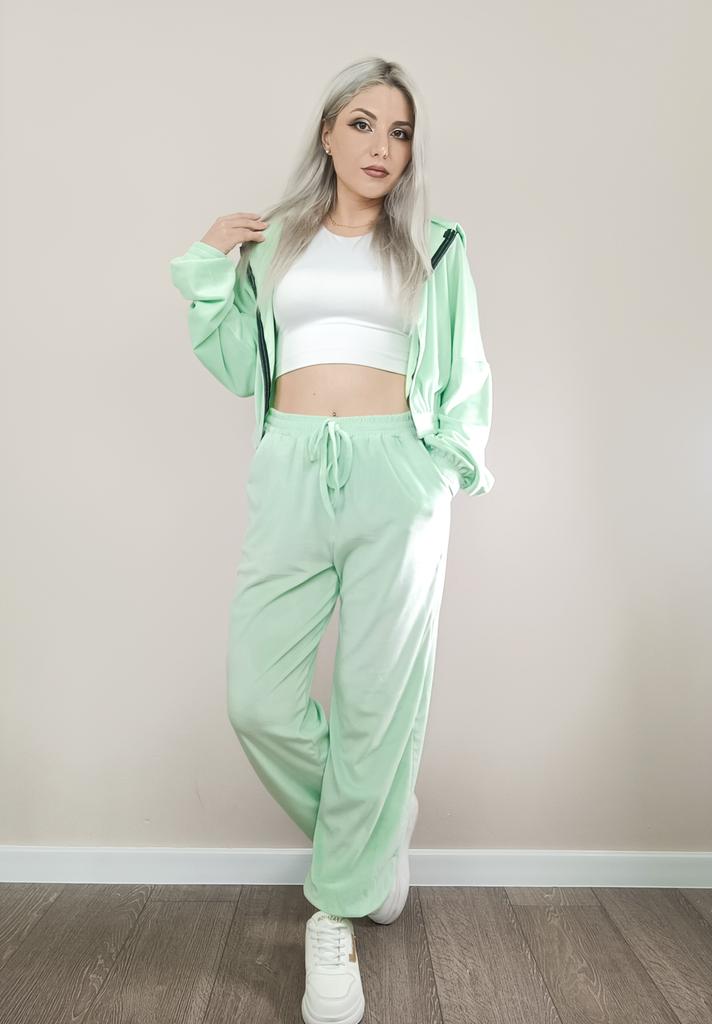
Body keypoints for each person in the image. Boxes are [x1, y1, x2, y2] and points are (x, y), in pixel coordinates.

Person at [170, 56, 495, 1024]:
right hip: (290, 465)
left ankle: (334, 915)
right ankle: (375, 838)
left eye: (398, 133)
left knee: (374, 702)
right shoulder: (277, 244)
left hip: (398, 473)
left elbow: (466, 366)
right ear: (326, 133)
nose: (380, 148)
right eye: (361, 125)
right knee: (258, 699)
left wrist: (441, 469)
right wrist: (207, 267)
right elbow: (241, 363)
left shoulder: (433, 245)